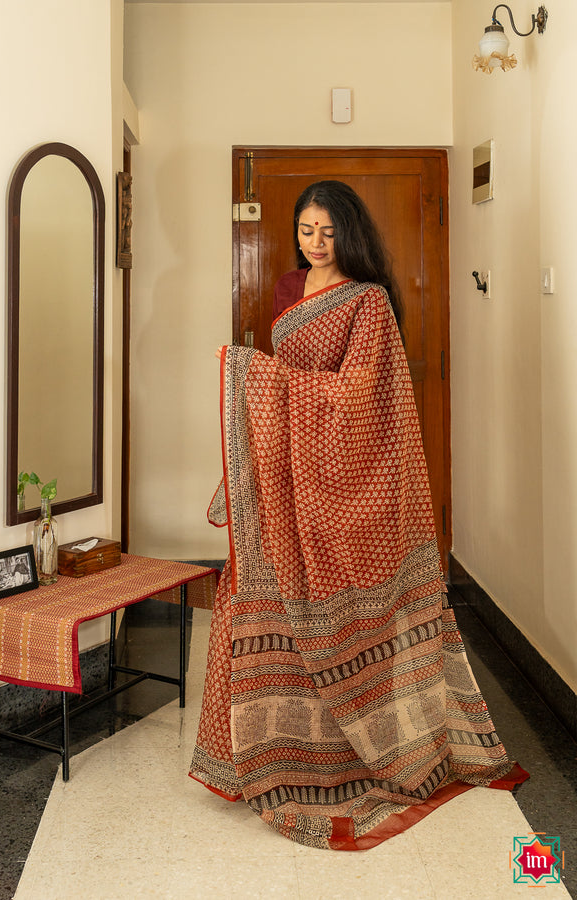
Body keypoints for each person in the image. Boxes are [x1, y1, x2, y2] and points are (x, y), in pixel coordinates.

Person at [190, 181, 527, 851]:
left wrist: (259, 376)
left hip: (345, 480)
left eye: (327, 232)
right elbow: (282, 377)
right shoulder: (291, 289)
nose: (315, 244)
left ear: (350, 233)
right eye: (305, 230)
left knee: (336, 609)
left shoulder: (368, 302)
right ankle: (268, 756)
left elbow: (361, 395)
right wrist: (263, 383)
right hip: (288, 477)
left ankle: (356, 754)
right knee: (260, 593)